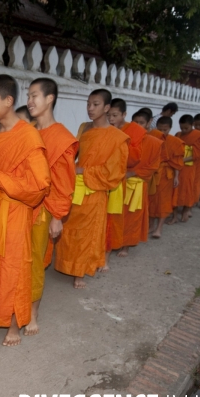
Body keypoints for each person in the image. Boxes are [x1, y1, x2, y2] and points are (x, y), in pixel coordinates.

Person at [0, 74, 50, 347]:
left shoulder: (28, 135)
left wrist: (2, 179)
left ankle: (13, 324)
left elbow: (40, 184)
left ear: (8, 101)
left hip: (16, 210)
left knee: (13, 268)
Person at [55, 89, 129, 289]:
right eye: (88, 104)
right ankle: (66, 264)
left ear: (106, 108)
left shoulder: (117, 138)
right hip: (75, 187)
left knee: (86, 233)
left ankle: (79, 272)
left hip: (94, 191)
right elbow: (75, 155)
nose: (90, 108)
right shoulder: (84, 128)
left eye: (95, 104)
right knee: (69, 229)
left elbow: (114, 172)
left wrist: (82, 171)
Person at [24, 78, 78, 336]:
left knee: (34, 261)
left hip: (43, 209)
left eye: (34, 95)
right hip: (19, 205)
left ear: (49, 99)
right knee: (14, 258)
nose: (29, 101)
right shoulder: (27, 132)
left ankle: (33, 312)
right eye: (28, 95)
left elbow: (64, 181)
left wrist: (57, 216)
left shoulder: (62, 138)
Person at [117, 109, 161, 253]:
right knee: (117, 214)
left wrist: (133, 173)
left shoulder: (155, 143)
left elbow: (153, 167)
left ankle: (126, 245)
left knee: (132, 217)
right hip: (120, 181)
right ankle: (115, 241)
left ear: (149, 123)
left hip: (138, 185)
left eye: (141, 123)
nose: (137, 125)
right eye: (135, 122)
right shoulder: (124, 137)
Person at [106, 98, 144, 261]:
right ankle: (107, 246)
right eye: (109, 115)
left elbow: (135, 158)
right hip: (107, 177)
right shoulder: (105, 129)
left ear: (124, 114)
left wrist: (120, 141)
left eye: (115, 115)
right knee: (108, 216)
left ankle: (123, 244)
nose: (111, 119)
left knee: (125, 216)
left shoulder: (135, 130)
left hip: (126, 178)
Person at [148, 117, 184, 238]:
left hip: (167, 175)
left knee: (163, 202)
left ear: (170, 129)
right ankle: (151, 225)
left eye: (165, 129)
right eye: (160, 129)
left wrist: (176, 177)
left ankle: (159, 228)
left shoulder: (175, 142)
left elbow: (177, 162)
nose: (163, 132)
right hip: (153, 174)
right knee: (151, 200)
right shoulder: (151, 139)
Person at [170, 114, 200, 223]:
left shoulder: (199, 136)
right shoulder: (178, 134)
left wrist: (183, 160)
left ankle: (186, 210)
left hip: (189, 167)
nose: (184, 130)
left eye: (186, 128)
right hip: (177, 167)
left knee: (187, 189)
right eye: (182, 128)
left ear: (192, 125)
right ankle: (174, 215)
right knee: (175, 190)